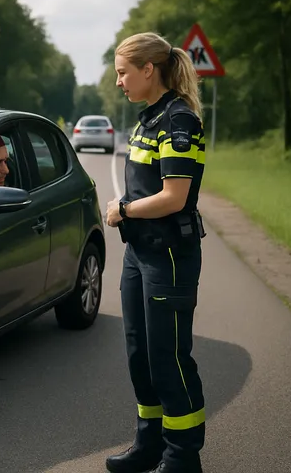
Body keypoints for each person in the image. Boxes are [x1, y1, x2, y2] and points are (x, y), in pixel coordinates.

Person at [104, 32, 208, 473]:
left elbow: (174, 197)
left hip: (169, 256)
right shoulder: (148, 119)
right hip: (140, 252)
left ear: (149, 70)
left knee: (169, 358)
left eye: (123, 73)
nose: (119, 82)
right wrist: (129, 211)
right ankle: (149, 444)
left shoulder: (178, 121)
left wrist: (123, 209)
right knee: (140, 354)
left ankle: (182, 457)